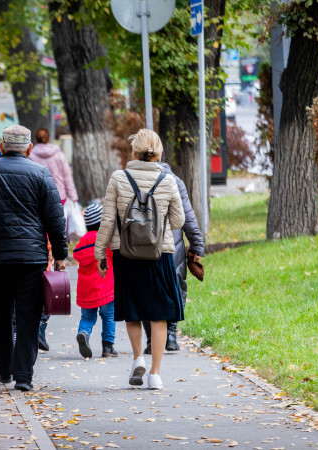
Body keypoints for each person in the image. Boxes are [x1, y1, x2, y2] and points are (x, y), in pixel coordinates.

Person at [0, 125, 68, 392]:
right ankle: (23, 376)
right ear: (29, 148)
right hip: (31, 257)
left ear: (1, 146)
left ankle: (3, 369)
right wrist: (61, 254)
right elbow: (55, 219)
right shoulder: (41, 173)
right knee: (28, 314)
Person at [94, 128, 185, 390]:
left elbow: (108, 220)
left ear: (133, 152)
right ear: (158, 153)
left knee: (132, 310)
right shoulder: (168, 181)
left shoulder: (118, 178)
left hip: (125, 253)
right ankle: (155, 375)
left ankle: (137, 359)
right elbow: (178, 220)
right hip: (160, 253)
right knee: (159, 315)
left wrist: (100, 252)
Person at [142, 162, 204, 352]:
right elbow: (188, 216)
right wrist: (196, 246)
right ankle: (170, 334)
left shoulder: (134, 179)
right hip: (173, 246)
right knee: (175, 287)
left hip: (141, 245)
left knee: (145, 290)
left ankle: (152, 339)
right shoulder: (175, 181)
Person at [29, 127, 79, 351]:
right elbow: (67, 177)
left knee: (42, 241)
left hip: (36, 205)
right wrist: (73, 199)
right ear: (49, 137)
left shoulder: (30, 155)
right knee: (52, 239)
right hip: (58, 200)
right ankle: (40, 327)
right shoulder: (58, 155)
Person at [72, 203, 117, 359]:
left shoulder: (83, 241)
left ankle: (83, 333)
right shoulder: (106, 241)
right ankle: (108, 347)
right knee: (108, 316)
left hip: (86, 290)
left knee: (87, 318)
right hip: (105, 288)